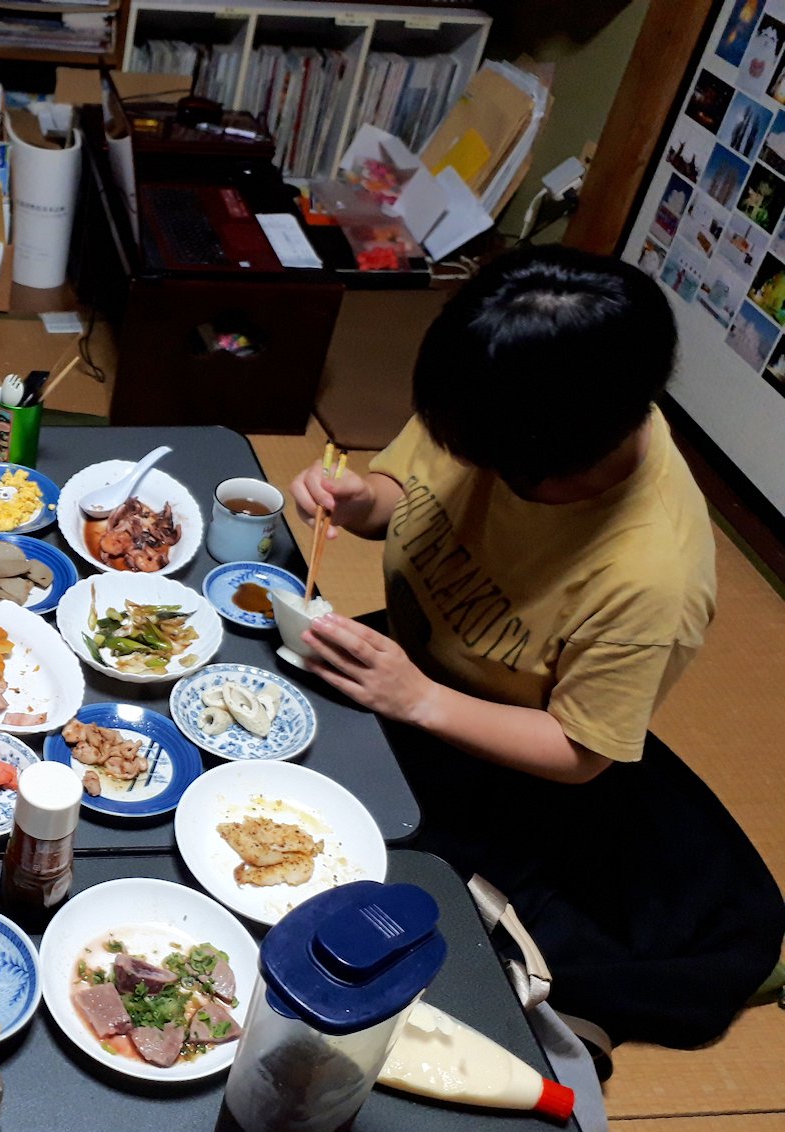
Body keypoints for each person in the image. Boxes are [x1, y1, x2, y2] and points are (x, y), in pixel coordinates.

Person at [287, 246, 784, 1047]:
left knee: (381, 913)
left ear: (549, 460)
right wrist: (360, 499)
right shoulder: (504, 374)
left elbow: (583, 751)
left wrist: (419, 700)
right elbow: (402, 495)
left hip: (505, 757)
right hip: (415, 671)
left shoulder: (652, 574)